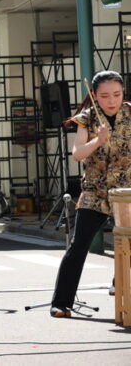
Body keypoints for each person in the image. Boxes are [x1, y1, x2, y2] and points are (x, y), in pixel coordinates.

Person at [51, 71, 131, 318]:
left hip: (126, 191)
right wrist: (98, 140)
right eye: (105, 96)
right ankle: (61, 302)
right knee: (79, 246)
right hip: (95, 191)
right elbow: (77, 153)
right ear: (94, 96)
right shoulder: (86, 118)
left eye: (116, 94)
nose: (112, 100)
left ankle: (119, 282)